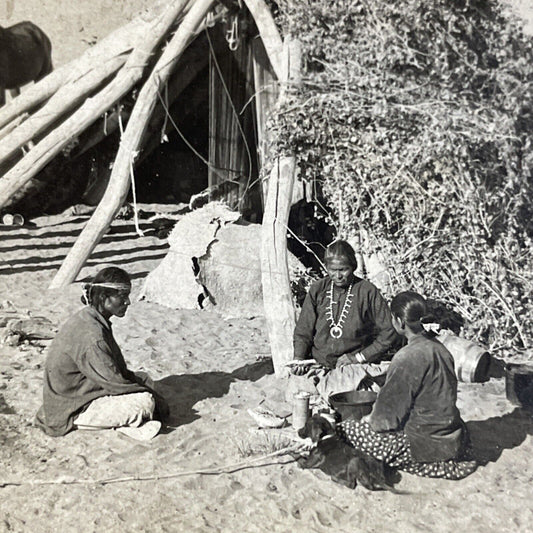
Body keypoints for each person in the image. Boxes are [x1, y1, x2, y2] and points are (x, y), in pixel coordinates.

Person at [337, 291, 477, 479]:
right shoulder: (441, 349)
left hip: (425, 443)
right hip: (453, 437)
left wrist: (367, 420)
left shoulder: (406, 356)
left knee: (346, 429)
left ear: (399, 322)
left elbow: (384, 420)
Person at [35, 267, 168, 438]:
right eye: (122, 296)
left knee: (145, 379)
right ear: (105, 298)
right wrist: (156, 399)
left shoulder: (91, 318)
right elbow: (115, 382)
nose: (128, 302)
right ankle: (82, 423)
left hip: (76, 392)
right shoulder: (92, 336)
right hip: (73, 408)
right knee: (145, 401)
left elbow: (112, 373)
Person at [288, 240, 398, 400]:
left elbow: (389, 332)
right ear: (326, 267)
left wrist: (358, 357)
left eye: (343, 270)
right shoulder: (318, 289)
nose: (338, 275)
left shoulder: (367, 291)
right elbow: (303, 331)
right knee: (295, 392)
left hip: (351, 368)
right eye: (333, 270)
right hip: (319, 365)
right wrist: (299, 359)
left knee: (344, 390)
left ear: (353, 267)